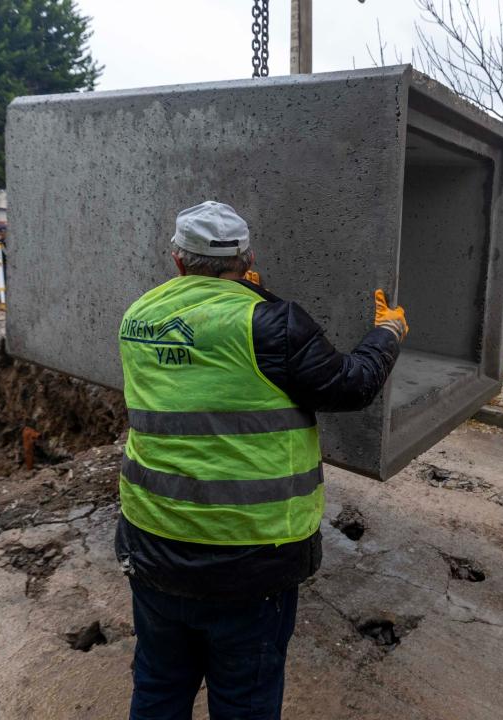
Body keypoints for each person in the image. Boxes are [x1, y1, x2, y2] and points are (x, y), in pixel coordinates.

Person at [116, 200, 408, 720]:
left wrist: (251, 298)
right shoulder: (273, 324)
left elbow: (207, 358)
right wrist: (387, 333)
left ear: (177, 261)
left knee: (159, 686)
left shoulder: (138, 315)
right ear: (248, 258)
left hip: (152, 542)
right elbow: (350, 384)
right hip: (248, 561)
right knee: (245, 700)